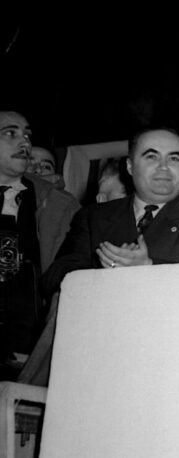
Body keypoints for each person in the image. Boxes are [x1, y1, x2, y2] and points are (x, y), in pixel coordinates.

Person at [42, 127, 179, 297]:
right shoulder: (93, 216)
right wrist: (108, 267)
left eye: (174, 158)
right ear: (130, 166)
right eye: (152, 157)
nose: (164, 166)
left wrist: (147, 267)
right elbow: (55, 277)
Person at [0, 112, 79, 377]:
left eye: (27, 135)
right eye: (10, 133)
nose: (23, 141)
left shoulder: (60, 206)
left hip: (26, 352)